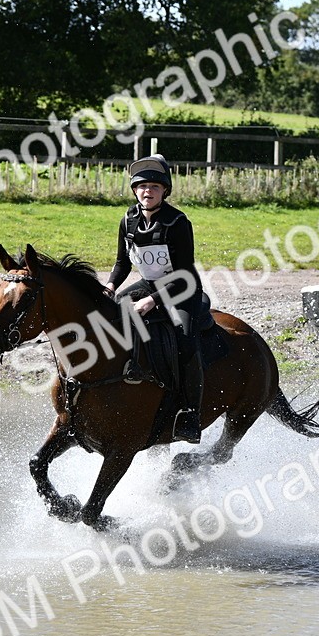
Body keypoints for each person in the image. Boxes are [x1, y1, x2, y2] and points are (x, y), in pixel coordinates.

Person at [103, 154, 206, 444]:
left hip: (181, 289)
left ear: (165, 191)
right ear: (135, 190)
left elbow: (185, 274)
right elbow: (122, 263)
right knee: (109, 318)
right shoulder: (128, 219)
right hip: (147, 284)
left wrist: (153, 301)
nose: (148, 191)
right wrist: (109, 287)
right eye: (142, 186)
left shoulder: (177, 222)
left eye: (155, 187)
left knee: (185, 342)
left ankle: (189, 414)